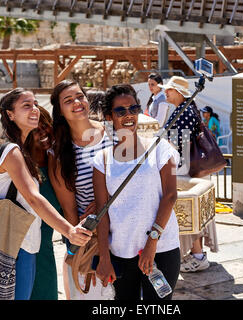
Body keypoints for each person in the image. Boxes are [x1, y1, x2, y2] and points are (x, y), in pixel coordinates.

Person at [0, 88, 92, 300]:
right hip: (12, 248)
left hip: (25, 246)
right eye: (26, 106)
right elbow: (33, 198)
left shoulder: (18, 152)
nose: (33, 109)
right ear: (10, 115)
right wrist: (69, 231)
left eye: (34, 104)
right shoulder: (10, 151)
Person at [93, 84, 181, 300]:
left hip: (162, 248)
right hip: (121, 251)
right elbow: (101, 211)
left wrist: (152, 242)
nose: (129, 115)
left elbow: (170, 195)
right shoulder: (102, 159)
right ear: (109, 116)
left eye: (133, 109)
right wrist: (104, 256)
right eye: (120, 111)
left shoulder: (162, 148)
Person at [48, 80, 115, 300]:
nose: (77, 102)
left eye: (80, 96)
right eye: (68, 100)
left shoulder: (112, 134)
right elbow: (69, 211)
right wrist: (82, 245)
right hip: (93, 235)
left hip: (124, 227)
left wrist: (104, 200)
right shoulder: (58, 153)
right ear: (59, 111)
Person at [159, 76, 218, 273]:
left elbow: (178, 145)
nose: (166, 92)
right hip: (189, 168)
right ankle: (196, 254)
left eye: (170, 90)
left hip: (186, 169)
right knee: (193, 214)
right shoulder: (185, 109)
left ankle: (198, 256)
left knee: (189, 214)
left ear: (179, 93)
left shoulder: (184, 112)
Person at [28, 106, 60, 300]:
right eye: (35, 128)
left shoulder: (56, 165)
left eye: (45, 124)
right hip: (17, 257)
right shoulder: (19, 166)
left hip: (45, 257)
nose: (43, 131)